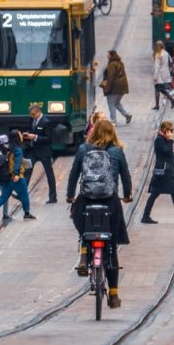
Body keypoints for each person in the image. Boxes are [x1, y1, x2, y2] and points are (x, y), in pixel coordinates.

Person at [67, 119, 132, 308]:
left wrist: (71, 196)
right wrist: (127, 195)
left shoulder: (83, 150)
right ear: (113, 134)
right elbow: (126, 177)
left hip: (86, 201)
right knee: (110, 246)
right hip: (110, 203)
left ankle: (85, 251)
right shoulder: (117, 152)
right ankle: (113, 294)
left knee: (80, 222)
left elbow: (73, 174)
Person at [142, 121, 174, 224]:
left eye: (172, 130)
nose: (171, 133)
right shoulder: (159, 140)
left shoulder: (164, 140)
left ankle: (145, 216)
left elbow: (172, 155)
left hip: (166, 173)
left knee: (156, 194)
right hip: (163, 173)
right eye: (169, 130)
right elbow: (167, 152)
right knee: (170, 193)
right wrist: (170, 141)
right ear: (163, 130)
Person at [23, 103, 58, 203]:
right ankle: (22, 193)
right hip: (33, 150)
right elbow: (31, 129)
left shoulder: (46, 122)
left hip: (44, 151)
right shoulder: (32, 120)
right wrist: (27, 134)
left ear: (38, 112)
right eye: (31, 114)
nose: (32, 116)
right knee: (27, 171)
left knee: (49, 173)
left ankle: (53, 196)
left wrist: (36, 137)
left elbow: (49, 138)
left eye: (33, 114)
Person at [101, 50, 132, 125]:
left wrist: (107, 88)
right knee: (116, 103)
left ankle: (113, 121)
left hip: (114, 88)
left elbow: (110, 77)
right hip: (122, 87)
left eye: (108, 55)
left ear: (111, 55)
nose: (107, 56)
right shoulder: (120, 63)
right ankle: (127, 115)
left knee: (111, 103)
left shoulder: (112, 65)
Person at [152, 41, 174, 110]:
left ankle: (157, 105)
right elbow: (171, 62)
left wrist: (155, 76)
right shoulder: (166, 53)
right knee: (161, 89)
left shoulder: (158, 54)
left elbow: (157, 66)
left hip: (159, 74)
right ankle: (171, 99)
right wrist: (169, 70)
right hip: (166, 73)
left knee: (157, 89)